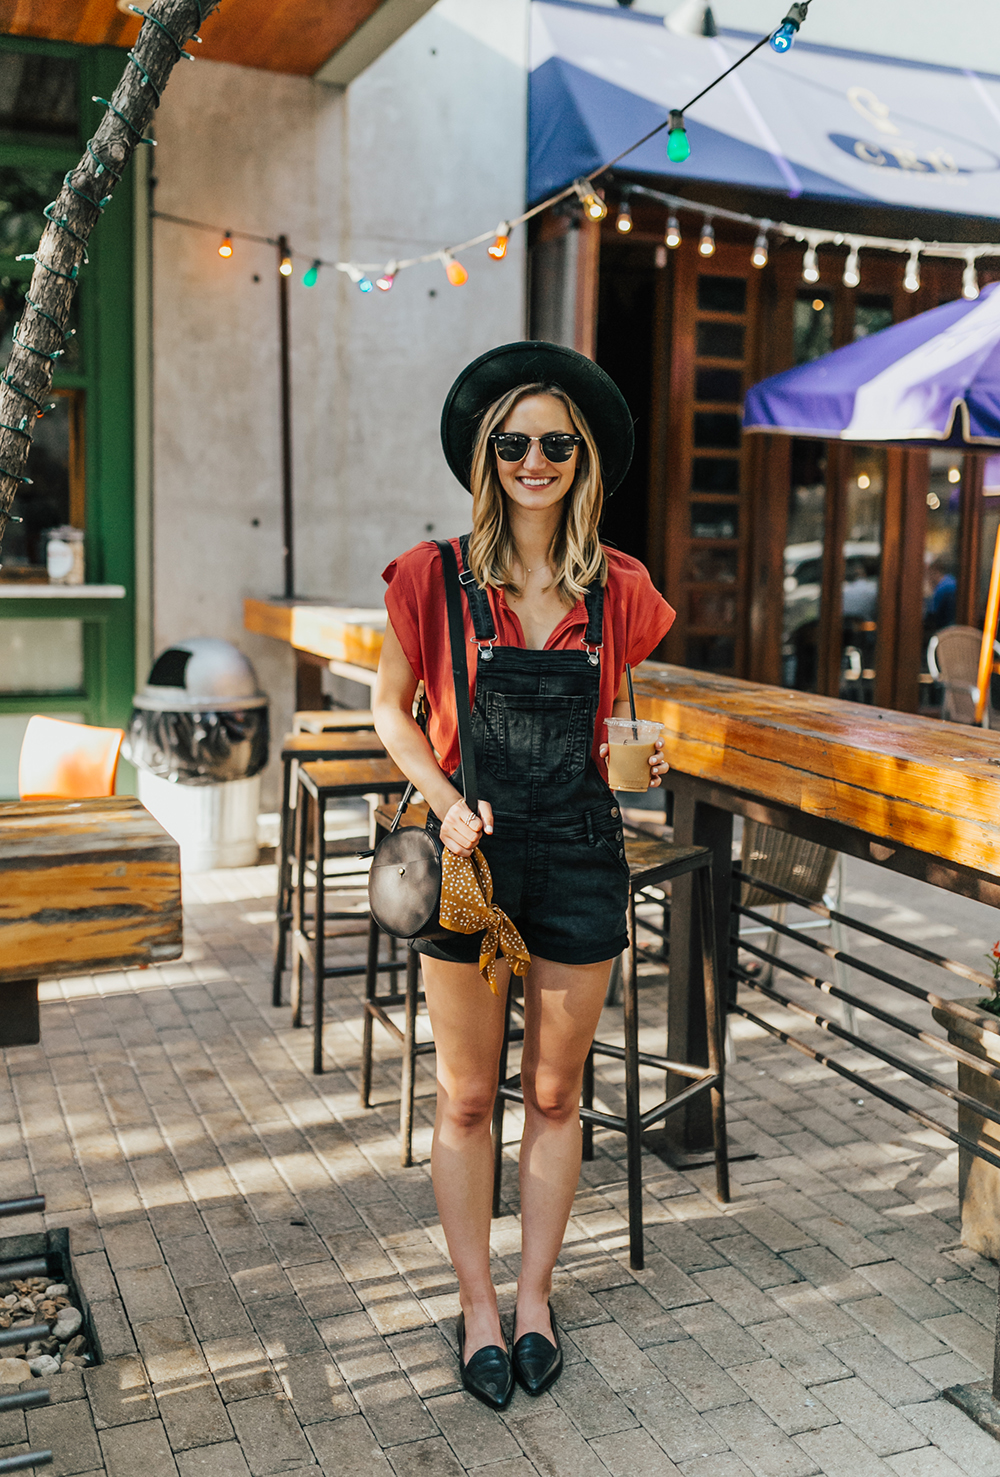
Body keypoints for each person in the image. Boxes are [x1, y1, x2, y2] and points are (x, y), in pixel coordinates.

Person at [373, 342, 674, 1409]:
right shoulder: (431, 577)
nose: (533, 460)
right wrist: (446, 799)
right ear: (486, 456)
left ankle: (536, 1296)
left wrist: (641, 760)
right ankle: (476, 1307)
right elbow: (389, 710)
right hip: (469, 859)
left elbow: (617, 726)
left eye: (555, 443)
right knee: (463, 1097)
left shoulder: (619, 589)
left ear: (581, 458)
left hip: (582, 851)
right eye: (513, 443)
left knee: (554, 1094)